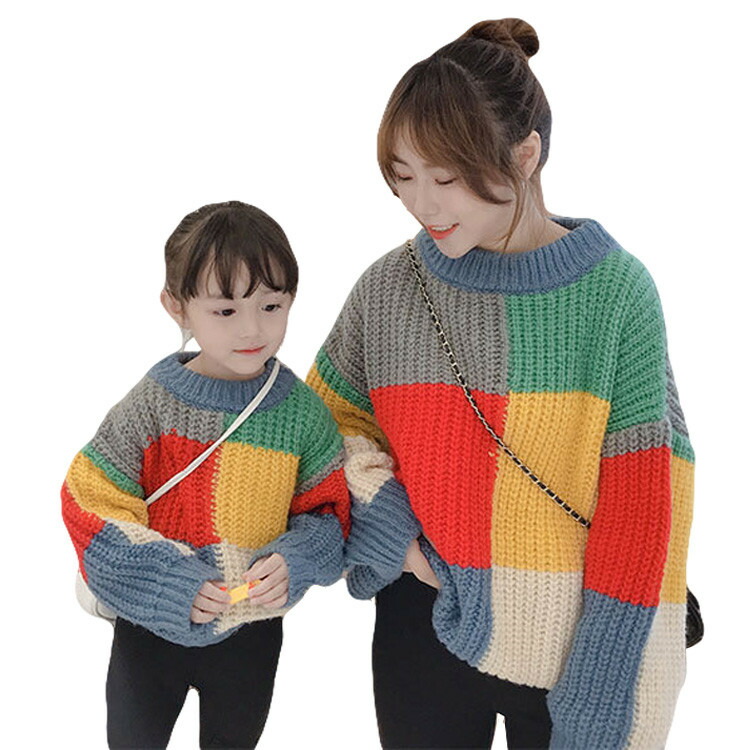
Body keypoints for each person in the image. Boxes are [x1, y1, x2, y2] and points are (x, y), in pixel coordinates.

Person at [306, 18, 694, 750]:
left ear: (525, 156)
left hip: (571, 639)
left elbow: (643, 505)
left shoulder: (616, 295)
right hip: (421, 622)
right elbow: (322, 427)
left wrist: (603, 689)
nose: (422, 204)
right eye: (403, 175)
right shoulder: (389, 287)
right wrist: (394, 528)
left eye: (445, 177)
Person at [61, 200, 350, 749]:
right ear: (177, 306)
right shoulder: (151, 405)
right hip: (150, 627)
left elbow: (330, 517)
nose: (252, 328)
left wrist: (297, 560)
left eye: (272, 305)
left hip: (252, 633)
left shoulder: (304, 415)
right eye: (225, 310)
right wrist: (167, 580)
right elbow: (89, 500)